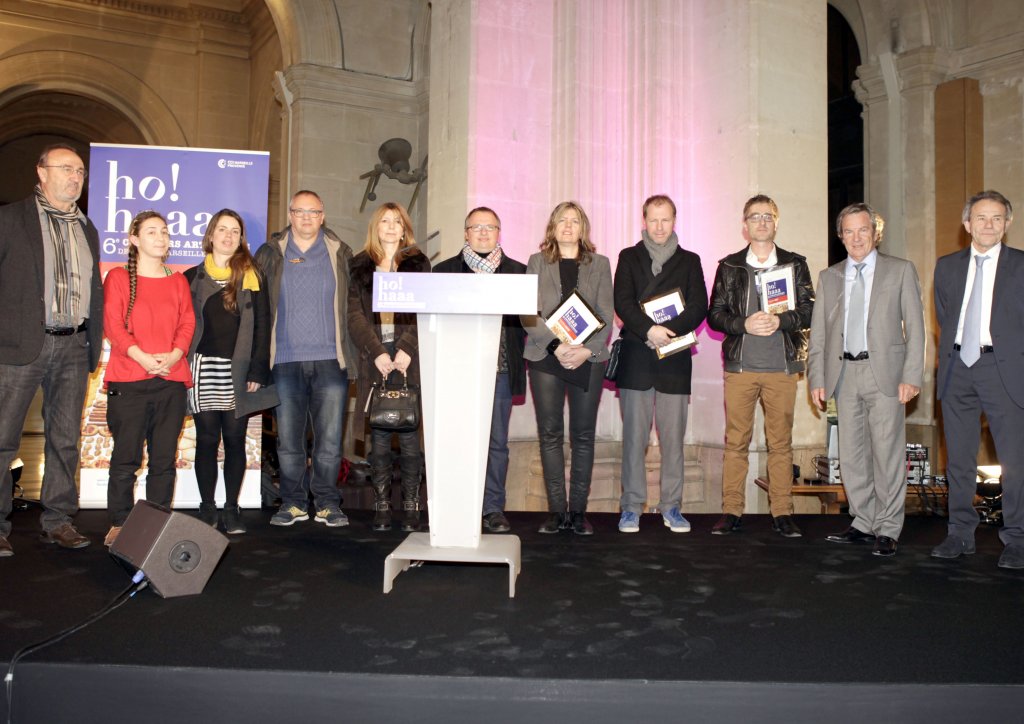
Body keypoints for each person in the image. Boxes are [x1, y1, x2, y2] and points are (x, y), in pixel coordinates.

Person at [0, 144, 104, 556]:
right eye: (66, 168)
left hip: (74, 345)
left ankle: (58, 520)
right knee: (3, 439)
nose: (75, 176)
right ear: (41, 172)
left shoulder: (87, 228)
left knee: (65, 439)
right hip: (20, 344)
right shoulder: (11, 219)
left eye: (80, 170)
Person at [808, 203, 924, 557]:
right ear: (840, 236)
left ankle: (888, 527)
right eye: (849, 231)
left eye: (863, 230)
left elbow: (916, 329)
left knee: (886, 453)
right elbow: (819, 335)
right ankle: (862, 521)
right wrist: (817, 377)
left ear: (875, 232)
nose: (856, 237)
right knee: (852, 455)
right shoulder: (829, 276)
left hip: (885, 373)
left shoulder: (900, 271)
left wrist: (911, 375)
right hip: (844, 374)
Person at [707, 195, 814, 537]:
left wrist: (780, 321)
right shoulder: (730, 266)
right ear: (745, 225)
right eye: (755, 216)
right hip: (741, 367)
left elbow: (810, 311)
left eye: (768, 216)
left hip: (781, 367)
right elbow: (715, 315)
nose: (762, 222)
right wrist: (744, 325)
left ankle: (782, 512)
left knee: (780, 444)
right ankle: (731, 511)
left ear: (776, 223)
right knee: (736, 442)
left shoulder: (795, 264)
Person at [932, 190, 1024, 570]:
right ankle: (960, 533)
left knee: (1015, 460)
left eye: (997, 218)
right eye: (981, 218)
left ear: (1008, 224)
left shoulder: (1021, 265)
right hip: (957, 369)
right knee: (959, 460)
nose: (989, 224)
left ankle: (1017, 538)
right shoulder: (946, 266)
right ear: (967, 224)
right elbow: (944, 314)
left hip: (1004, 370)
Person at [254, 190, 357, 528]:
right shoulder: (270, 254)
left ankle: (327, 503)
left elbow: (354, 306)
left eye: (314, 212)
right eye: (301, 211)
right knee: (288, 441)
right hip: (284, 360)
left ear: (323, 215)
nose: (307, 218)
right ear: (290, 214)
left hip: (330, 359)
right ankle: (294, 502)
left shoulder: (340, 253)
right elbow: (256, 308)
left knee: (329, 441)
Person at [613, 195, 707, 534]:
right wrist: (648, 329)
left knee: (673, 441)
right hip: (637, 357)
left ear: (674, 220)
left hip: (675, 359)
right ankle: (631, 507)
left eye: (665, 219)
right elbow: (621, 300)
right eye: (653, 220)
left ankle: (671, 506)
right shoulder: (628, 257)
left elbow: (699, 307)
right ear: (643, 220)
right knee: (634, 440)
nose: (659, 226)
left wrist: (668, 333)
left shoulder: (690, 260)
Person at [102, 211, 195, 547]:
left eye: (165, 232)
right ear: (134, 239)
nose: (161, 237)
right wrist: (141, 356)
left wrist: (173, 355)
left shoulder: (179, 280)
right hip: (129, 379)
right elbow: (112, 324)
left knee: (163, 461)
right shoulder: (116, 278)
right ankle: (120, 524)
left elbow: (187, 323)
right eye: (152, 231)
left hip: (170, 379)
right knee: (126, 459)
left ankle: (155, 527)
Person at [184, 209, 278, 535]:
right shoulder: (191, 277)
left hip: (239, 371)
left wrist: (258, 370)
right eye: (222, 229)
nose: (227, 236)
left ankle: (231, 509)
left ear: (241, 239)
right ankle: (207, 508)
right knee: (207, 441)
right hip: (202, 369)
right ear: (211, 235)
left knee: (235, 441)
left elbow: (264, 326)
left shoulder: (254, 277)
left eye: (234, 231)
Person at [434, 207, 527, 533]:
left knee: (497, 444)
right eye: (477, 227)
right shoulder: (443, 272)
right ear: (466, 233)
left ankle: (492, 509)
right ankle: (458, 506)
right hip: (457, 372)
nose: (484, 233)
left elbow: (528, 323)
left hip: (499, 372)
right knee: (456, 441)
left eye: (491, 227)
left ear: (499, 232)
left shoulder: (519, 272)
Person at [522, 201, 613, 536]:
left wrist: (585, 349)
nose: (569, 226)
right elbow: (527, 313)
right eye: (563, 220)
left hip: (587, 358)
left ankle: (577, 512)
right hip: (546, 356)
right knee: (550, 435)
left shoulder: (600, 264)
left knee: (583, 436)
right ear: (553, 226)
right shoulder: (536, 262)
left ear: (583, 228)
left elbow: (606, 313)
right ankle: (556, 511)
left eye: (575, 221)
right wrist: (556, 346)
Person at [349, 202, 430, 532]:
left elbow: (428, 306)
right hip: (375, 359)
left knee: (410, 438)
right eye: (385, 221)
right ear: (375, 226)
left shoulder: (418, 264)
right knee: (379, 438)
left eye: (398, 221)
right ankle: (382, 506)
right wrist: (378, 352)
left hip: (409, 359)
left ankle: (410, 506)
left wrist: (407, 348)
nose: (391, 226)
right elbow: (353, 316)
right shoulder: (358, 265)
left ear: (405, 227)